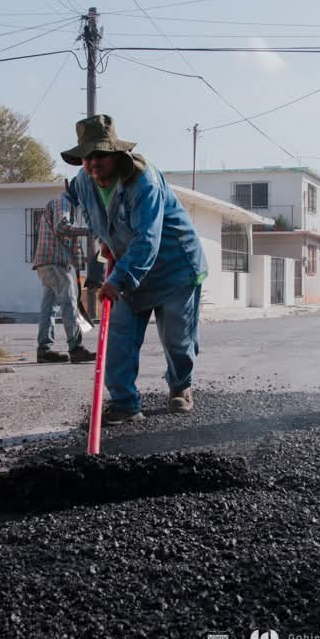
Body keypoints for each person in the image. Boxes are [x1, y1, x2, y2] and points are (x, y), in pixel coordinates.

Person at [59, 114, 208, 423]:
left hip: (174, 268)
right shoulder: (84, 181)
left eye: (100, 153)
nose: (93, 161)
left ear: (116, 153)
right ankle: (126, 403)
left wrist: (118, 279)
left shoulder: (144, 182)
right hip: (128, 266)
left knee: (177, 340)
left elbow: (147, 240)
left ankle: (181, 387)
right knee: (119, 337)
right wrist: (104, 239)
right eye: (87, 155)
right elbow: (73, 200)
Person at [32, 193, 96, 364]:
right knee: (69, 303)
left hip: (46, 262)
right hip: (55, 262)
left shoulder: (58, 203)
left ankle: (44, 350)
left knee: (49, 306)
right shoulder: (64, 202)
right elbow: (61, 227)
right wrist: (89, 231)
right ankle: (75, 348)